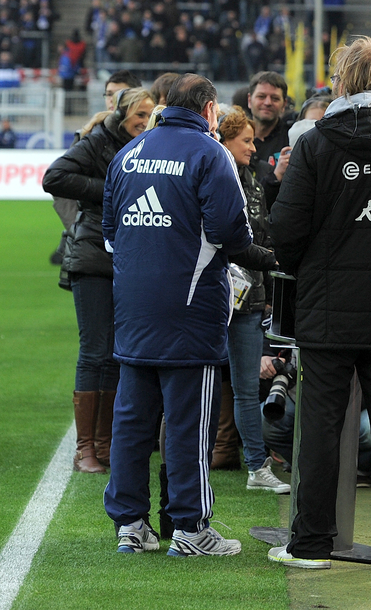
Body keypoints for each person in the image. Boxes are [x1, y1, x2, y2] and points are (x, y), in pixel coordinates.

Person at [267, 37, 371, 570]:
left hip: (328, 308)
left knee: (319, 428)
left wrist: (310, 268)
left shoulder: (317, 143)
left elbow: (286, 230)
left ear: (342, 82)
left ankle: (312, 545)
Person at [102, 74, 253, 557]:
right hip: (190, 310)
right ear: (209, 109)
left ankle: (131, 526)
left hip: (132, 307)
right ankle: (190, 529)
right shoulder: (211, 154)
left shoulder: (130, 152)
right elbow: (232, 231)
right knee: (189, 423)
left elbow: (109, 231)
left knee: (131, 422)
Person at [42, 87, 156, 475]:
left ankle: (105, 445)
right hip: (91, 256)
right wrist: (107, 192)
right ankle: (85, 449)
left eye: (149, 115)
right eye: (139, 114)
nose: (144, 122)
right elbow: (54, 177)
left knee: (114, 353)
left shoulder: (149, 148)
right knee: (94, 351)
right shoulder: (98, 141)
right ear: (122, 115)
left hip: (127, 259)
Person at [215, 107, 286, 492]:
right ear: (225, 141)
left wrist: (268, 291)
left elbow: (262, 237)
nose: (253, 146)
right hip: (213, 294)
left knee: (244, 387)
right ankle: (184, 463)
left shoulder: (254, 180)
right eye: (245, 140)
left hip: (249, 297)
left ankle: (256, 467)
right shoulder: (214, 173)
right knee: (195, 383)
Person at [247, 71, 294, 167]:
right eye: (261, 97)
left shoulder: (292, 138)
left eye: (275, 98)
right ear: (249, 100)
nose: (268, 102)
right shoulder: (235, 138)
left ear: (284, 104)